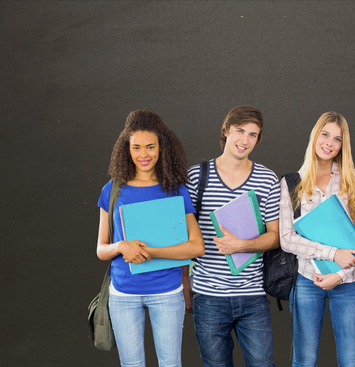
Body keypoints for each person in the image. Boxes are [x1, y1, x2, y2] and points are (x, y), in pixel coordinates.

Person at [96, 110, 204, 367]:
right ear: (127, 149)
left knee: (170, 364)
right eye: (136, 147)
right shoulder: (112, 190)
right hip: (123, 294)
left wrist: (150, 252)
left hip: (167, 292)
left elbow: (196, 247)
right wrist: (121, 246)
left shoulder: (175, 189)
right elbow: (101, 249)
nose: (143, 154)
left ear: (161, 147)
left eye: (150, 147)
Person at [185, 105, 280, 367]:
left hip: (253, 297)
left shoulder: (267, 179)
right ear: (226, 130)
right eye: (240, 131)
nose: (245, 140)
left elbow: (276, 237)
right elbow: (183, 237)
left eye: (253, 135)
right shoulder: (196, 177)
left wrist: (243, 245)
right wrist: (185, 283)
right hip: (208, 297)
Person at [279, 111, 355, 367]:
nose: (329, 143)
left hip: (348, 282)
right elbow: (287, 239)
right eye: (325, 134)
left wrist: (338, 275)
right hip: (307, 280)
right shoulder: (291, 183)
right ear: (315, 136)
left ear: (343, 145)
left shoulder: (354, 179)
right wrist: (332, 254)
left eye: (337, 139)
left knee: (351, 361)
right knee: (304, 361)